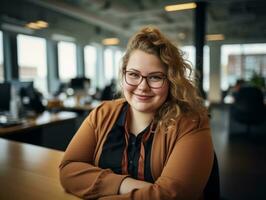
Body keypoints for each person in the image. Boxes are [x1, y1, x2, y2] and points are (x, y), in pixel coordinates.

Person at [59, 26, 214, 200]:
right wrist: (132, 185)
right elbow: (68, 170)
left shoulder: (192, 123)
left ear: (171, 81)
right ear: (123, 74)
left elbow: (174, 196)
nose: (142, 86)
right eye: (133, 74)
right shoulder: (103, 113)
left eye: (155, 77)